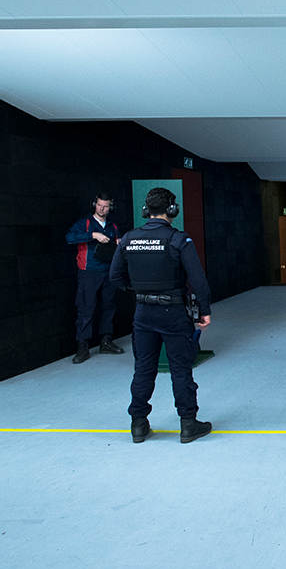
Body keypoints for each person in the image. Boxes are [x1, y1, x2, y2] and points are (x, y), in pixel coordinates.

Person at [108, 187, 213, 444]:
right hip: (173, 312)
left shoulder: (129, 239)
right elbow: (198, 280)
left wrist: (140, 291)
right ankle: (188, 424)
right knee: (180, 369)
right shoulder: (178, 240)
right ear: (172, 210)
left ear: (146, 210)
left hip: (143, 313)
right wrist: (204, 311)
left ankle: (138, 424)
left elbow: (115, 277)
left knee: (143, 368)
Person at [65, 192, 125, 363]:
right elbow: (69, 238)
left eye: (105, 206)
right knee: (86, 308)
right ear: (94, 205)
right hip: (89, 272)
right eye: (99, 205)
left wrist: (118, 242)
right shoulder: (84, 223)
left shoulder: (112, 226)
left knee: (108, 306)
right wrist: (93, 235)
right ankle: (83, 346)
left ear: (110, 207)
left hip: (108, 271)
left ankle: (106, 341)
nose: (102, 209)